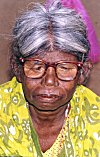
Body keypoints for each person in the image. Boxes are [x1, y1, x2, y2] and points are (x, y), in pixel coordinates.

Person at [0, 1, 100, 156]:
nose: (49, 81)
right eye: (36, 67)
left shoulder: (96, 120)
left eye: (65, 68)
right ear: (17, 68)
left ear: (83, 73)